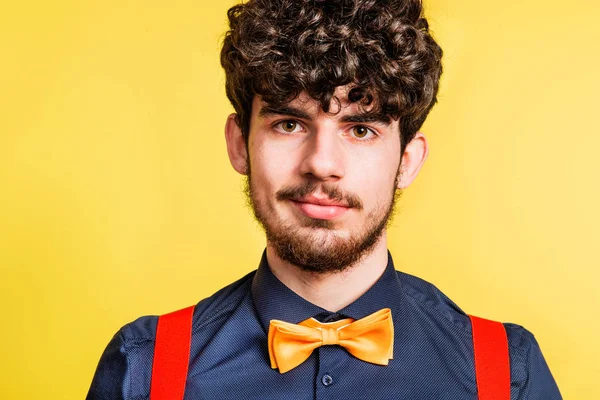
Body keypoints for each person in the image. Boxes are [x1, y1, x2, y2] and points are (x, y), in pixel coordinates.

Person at [87, 0, 562, 398]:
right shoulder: (143, 370)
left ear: (407, 161)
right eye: (289, 124)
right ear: (239, 144)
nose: (321, 163)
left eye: (360, 129)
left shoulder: (506, 374)